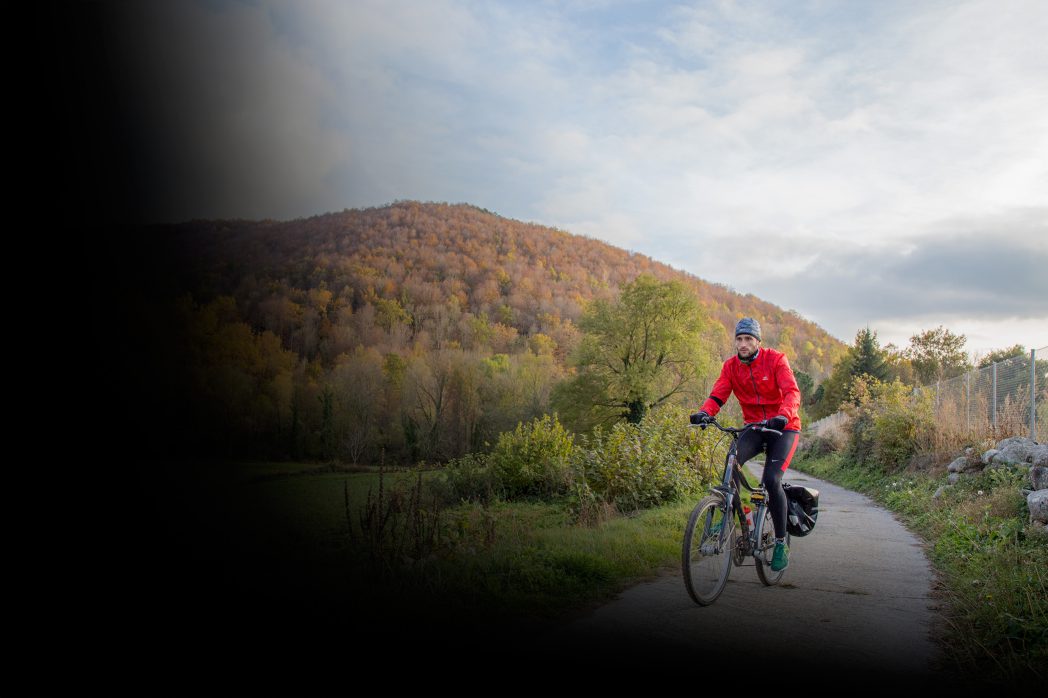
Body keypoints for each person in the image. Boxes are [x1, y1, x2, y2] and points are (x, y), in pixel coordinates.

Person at [690, 317, 801, 571]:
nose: (743, 344)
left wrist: (783, 414)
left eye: (748, 339)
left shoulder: (776, 360)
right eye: (739, 339)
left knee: (772, 480)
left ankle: (781, 543)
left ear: (758, 342)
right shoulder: (730, 367)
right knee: (732, 462)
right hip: (754, 426)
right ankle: (733, 515)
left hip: (784, 427)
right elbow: (718, 395)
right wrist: (705, 413)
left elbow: (792, 392)